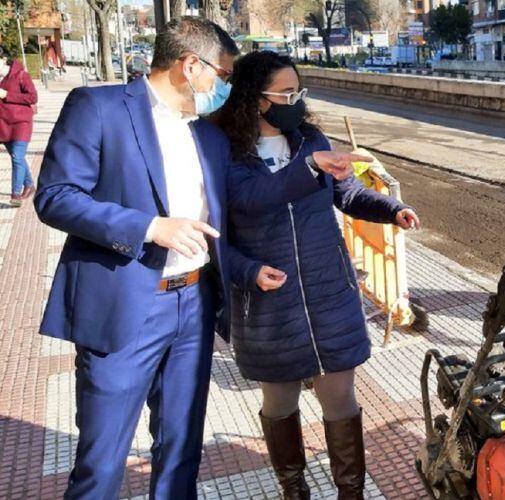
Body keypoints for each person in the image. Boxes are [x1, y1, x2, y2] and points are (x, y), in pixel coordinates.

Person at [34, 18, 358, 499]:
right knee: (102, 460)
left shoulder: (209, 136)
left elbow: (241, 209)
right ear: (191, 65)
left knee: (182, 448)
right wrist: (149, 227)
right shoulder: (98, 108)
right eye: (223, 75)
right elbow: (55, 197)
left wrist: (312, 170)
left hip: (194, 306)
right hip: (123, 308)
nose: (226, 87)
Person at [212, 51, 420, 499]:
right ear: (255, 98)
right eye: (285, 93)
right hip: (271, 304)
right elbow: (245, 204)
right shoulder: (225, 152)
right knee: (280, 401)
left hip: (330, 292)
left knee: (341, 399)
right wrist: (246, 271)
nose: (295, 100)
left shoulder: (310, 140)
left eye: (298, 91)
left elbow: (346, 191)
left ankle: (351, 493)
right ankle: (294, 489)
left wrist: (392, 209)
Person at [0, 48, 37, 207]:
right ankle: (29, 184)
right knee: (18, 157)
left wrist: (7, 95)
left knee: (16, 156)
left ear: (3, 59)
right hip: (3, 125)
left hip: (21, 123)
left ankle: (15, 194)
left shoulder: (21, 75)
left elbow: (32, 97)